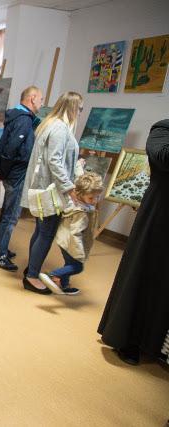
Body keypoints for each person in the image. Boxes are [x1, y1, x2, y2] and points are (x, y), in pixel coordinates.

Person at [98, 119, 169, 365]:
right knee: (144, 277)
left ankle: (156, 344)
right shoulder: (162, 129)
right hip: (158, 217)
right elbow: (163, 158)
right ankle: (129, 339)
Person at [20, 91, 83, 294]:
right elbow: (54, 161)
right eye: (80, 108)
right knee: (46, 233)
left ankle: (31, 270)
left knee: (41, 231)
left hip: (45, 188)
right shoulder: (59, 128)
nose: (80, 113)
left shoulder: (50, 124)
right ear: (72, 107)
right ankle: (32, 276)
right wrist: (69, 187)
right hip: (52, 191)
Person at [0, 86, 43, 271]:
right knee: (11, 216)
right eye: (41, 99)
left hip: (13, 173)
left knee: (7, 213)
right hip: (17, 174)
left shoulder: (18, 117)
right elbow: (11, 149)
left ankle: (0, 247)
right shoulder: (24, 120)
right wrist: (6, 172)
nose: (41, 103)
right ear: (32, 98)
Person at [39, 172, 103, 295]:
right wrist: (79, 253)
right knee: (77, 266)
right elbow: (75, 233)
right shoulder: (81, 213)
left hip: (64, 240)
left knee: (69, 263)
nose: (95, 201)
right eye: (91, 198)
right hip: (71, 242)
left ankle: (64, 285)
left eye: (97, 197)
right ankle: (53, 275)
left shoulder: (76, 204)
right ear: (81, 195)